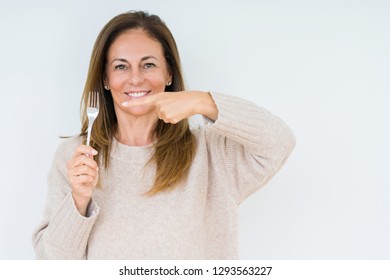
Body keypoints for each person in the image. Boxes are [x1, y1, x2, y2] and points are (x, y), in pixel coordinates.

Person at [32, 10, 296, 259]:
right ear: (105, 78)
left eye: (148, 65)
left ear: (168, 73)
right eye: (121, 67)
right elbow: (51, 261)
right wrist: (78, 200)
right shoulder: (77, 156)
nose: (135, 79)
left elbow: (279, 141)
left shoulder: (210, 152)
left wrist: (202, 101)